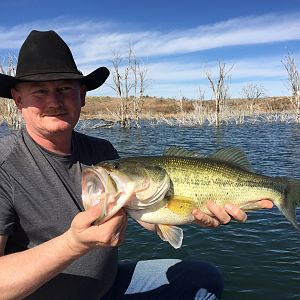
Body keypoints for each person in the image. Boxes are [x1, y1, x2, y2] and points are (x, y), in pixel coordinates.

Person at [0, 30, 273, 300]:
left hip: (107, 287)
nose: (54, 101)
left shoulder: (102, 153)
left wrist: (191, 213)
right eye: (40, 91)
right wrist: (73, 244)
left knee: (204, 279)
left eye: (65, 89)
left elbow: (144, 212)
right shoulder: (4, 166)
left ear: (82, 96)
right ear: (18, 99)